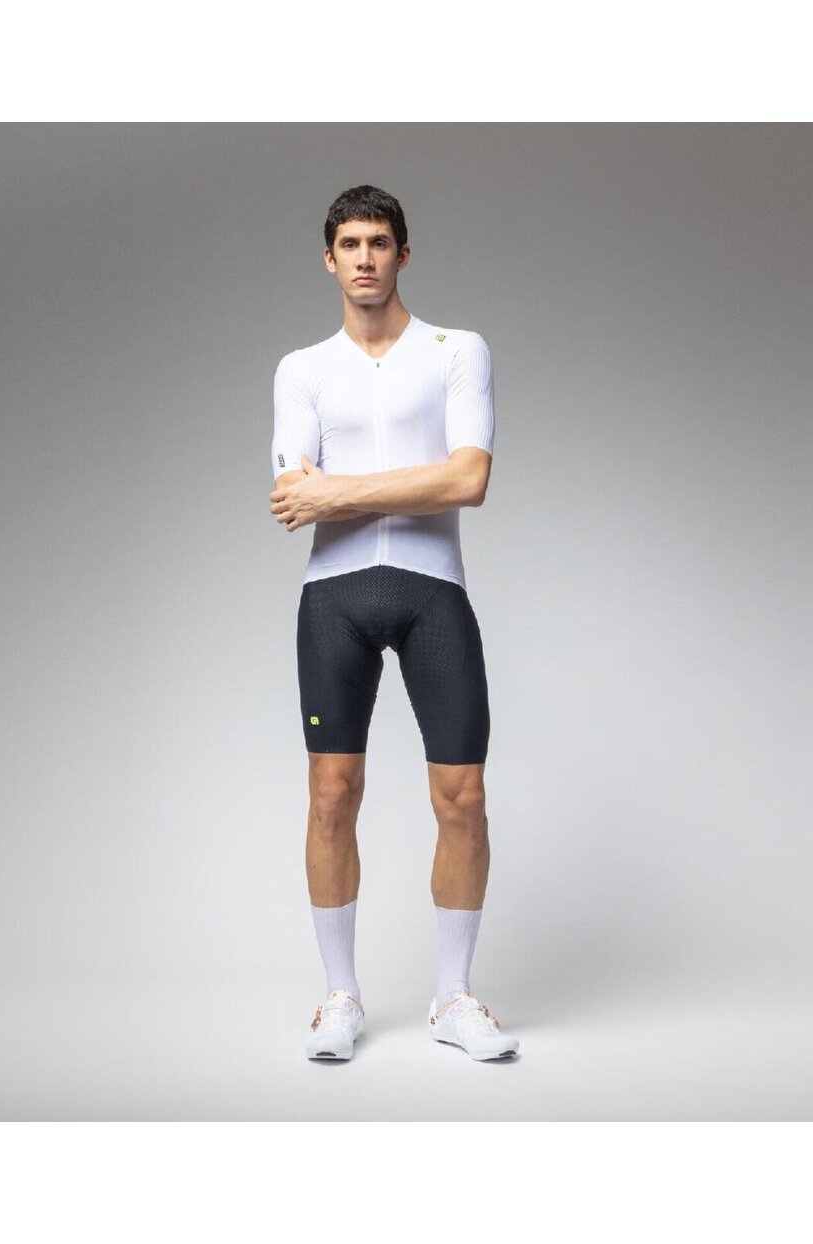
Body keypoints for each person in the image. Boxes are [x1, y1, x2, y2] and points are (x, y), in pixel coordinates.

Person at [269, 184, 519, 1062]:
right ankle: (339, 996)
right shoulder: (302, 369)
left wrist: (335, 490)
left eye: (379, 242)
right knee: (331, 796)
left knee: (464, 798)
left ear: (403, 254)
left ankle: (453, 997)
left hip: (432, 595)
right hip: (333, 601)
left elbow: (468, 480)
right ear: (329, 259)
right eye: (350, 244)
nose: (366, 258)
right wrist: (402, 483)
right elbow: (291, 497)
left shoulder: (457, 351)